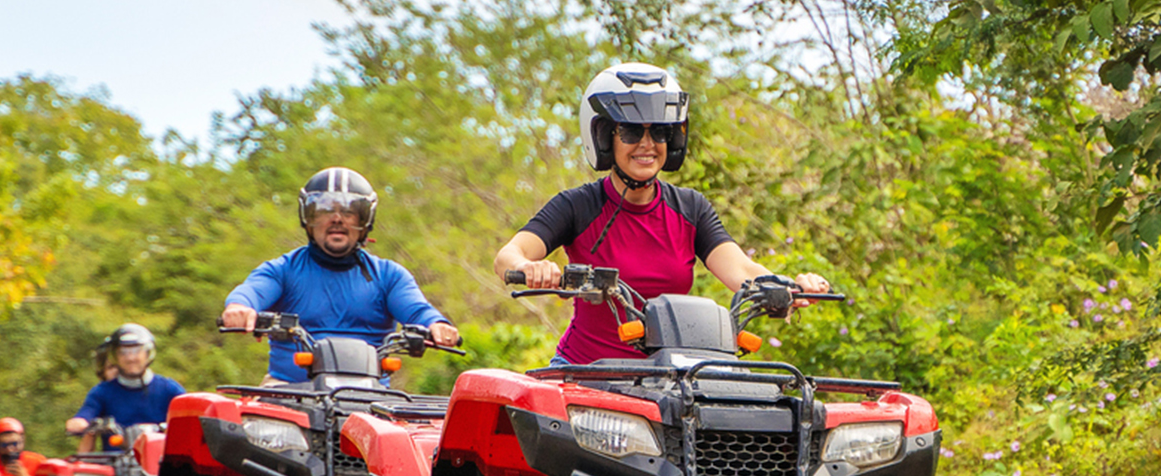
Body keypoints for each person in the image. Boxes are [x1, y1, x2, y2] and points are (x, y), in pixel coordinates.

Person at [492, 63, 831, 366]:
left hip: (667, 377)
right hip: (584, 375)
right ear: (604, 137)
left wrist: (787, 286)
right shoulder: (578, 205)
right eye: (631, 132)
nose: (647, 143)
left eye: (659, 132)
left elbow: (741, 269)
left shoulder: (690, 208)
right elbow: (507, 256)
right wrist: (528, 267)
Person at [221, 167, 462, 383]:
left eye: (349, 212)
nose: (337, 219)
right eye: (325, 210)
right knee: (246, 427)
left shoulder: (390, 276)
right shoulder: (283, 269)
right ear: (308, 219)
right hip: (287, 396)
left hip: (372, 402)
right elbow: (252, 290)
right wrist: (239, 307)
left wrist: (437, 325)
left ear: (365, 221)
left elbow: (418, 310)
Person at [68, 323, 185, 451]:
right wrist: (79, 423)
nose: (130, 358)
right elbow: (86, 413)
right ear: (115, 356)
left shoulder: (169, 389)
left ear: (147, 353)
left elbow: (191, 416)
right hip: (117, 465)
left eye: (136, 351)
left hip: (163, 464)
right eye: (123, 352)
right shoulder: (102, 392)